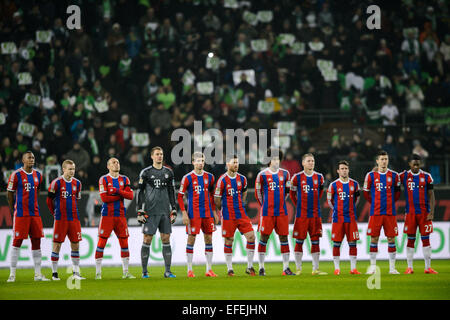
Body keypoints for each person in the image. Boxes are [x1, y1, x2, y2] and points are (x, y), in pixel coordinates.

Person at [6, 151, 49, 282]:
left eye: (33, 158)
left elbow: (38, 190)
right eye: (29, 157)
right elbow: (10, 193)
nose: (32, 159)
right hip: (21, 214)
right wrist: (14, 207)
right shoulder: (16, 175)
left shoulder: (38, 175)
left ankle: (37, 274)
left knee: (37, 242)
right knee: (16, 242)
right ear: (23, 160)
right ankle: (12, 275)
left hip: (35, 214)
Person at [137, 147, 177, 278]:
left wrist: (174, 209)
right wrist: (139, 210)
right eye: (157, 154)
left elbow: (172, 192)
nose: (160, 156)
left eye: (161, 154)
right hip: (150, 211)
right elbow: (140, 192)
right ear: (152, 156)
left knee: (166, 238)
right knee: (147, 239)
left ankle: (168, 271)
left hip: (165, 211)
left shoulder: (169, 172)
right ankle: (144, 272)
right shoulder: (146, 172)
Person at [177, 152, 219, 277]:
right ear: (193, 162)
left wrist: (214, 212)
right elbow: (180, 196)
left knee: (209, 238)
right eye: (198, 161)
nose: (200, 163)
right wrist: (184, 213)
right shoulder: (188, 178)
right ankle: (189, 270)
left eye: (202, 160)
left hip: (207, 213)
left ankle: (209, 269)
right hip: (193, 213)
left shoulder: (210, 177)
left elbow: (212, 196)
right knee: (191, 238)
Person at [214, 155, 256, 276]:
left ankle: (249, 266)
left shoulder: (242, 179)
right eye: (234, 163)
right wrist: (223, 209)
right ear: (228, 164)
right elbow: (217, 199)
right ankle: (230, 269)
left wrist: (241, 204)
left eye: (237, 163)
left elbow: (244, 192)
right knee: (229, 240)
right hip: (228, 214)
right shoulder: (222, 180)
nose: (236, 165)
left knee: (251, 237)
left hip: (241, 213)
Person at [255, 149, 294, 276]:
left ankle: (286, 268)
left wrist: (280, 202)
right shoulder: (262, 175)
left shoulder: (286, 174)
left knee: (284, 237)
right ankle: (261, 267)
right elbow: (258, 194)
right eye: (273, 158)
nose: (276, 161)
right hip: (267, 212)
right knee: (264, 237)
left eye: (278, 159)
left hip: (282, 212)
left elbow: (287, 192)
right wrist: (265, 205)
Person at [95, 157, 135, 279]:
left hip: (120, 215)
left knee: (124, 242)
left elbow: (131, 196)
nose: (116, 164)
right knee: (102, 242)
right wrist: (121, 194)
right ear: (108, 166)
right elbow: (104, 199)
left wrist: (116, 191)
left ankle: (126, 272)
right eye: (113, 162)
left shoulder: (124, 179)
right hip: (107, 215)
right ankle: (98, 273)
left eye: (117, 162)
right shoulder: (104, 179)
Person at [363, 150, 401, 275]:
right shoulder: (371, 176)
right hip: (376, 212)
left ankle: (392, 268)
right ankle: (373, 267)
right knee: (374, 239)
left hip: (390, 212)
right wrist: (374, 202)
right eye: (382, 159)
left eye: (386, 159)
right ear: (377, 161)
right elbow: (366, 193)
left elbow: (397, 193)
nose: (384, 161)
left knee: (391, 239)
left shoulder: (395, 176)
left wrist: (389, 203)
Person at [47, 160, 84, 281]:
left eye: (73, 169)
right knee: (57, 245)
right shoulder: (56, 183)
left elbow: (76, 200)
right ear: (63, 169)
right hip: (60, 219)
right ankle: (54, 273)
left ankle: (76, 273)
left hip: (73, 218)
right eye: (70, 169)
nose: (72, 171)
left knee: (75, 245)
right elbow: (49, 201)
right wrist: (55, 213)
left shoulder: (77, 183)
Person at [290, 153, 327, 275]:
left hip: (315, 215)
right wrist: (299, 205)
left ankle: (315, 269)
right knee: (299, 241)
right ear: (303, 163)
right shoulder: (297, 178)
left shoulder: (320, 177)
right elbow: (292, 195)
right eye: (309, 161)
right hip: (302, 215)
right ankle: (298, 268)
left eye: (313, 161)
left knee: (315, 240)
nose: (311, 163)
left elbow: (320, 193)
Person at [400, 154, 437, 274]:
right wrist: (376, 170)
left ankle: (428, 267)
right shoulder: (404, 176)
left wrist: (431, 212)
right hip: (410, 213)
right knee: (410, 240)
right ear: (409, 164)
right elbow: (392, 176)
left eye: (418, 164)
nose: (416, 166)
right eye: (413, 164)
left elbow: (431, 195)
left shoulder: (426, 176)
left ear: (420, 164)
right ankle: (409, 267)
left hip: (424, 213)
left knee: (426, 239)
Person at [327, 160, 361, 275]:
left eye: (346, 168)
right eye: (342, 168)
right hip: (338, 218)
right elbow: (330, 201)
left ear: (348, 170)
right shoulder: (333, 185)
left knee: (353, 243)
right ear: (338, 171)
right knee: (337, 243)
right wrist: (337, 209)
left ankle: (353, 269)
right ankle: (337, 269)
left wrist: (350, 209)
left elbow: (356, 200)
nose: (344, 170)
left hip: (351, 218)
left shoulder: (355, 184)